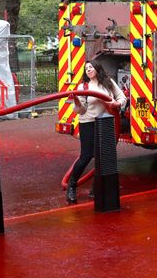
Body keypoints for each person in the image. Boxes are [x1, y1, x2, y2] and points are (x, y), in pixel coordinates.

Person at [67, 60, 127, 205]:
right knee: (86, 156)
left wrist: (116, 104)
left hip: (105, 122)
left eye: (90, 67)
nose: (88, 70)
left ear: (97, 68)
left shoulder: (108, 83)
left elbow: (122, 98)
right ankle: (71, 186)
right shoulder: (83, 87)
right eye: (86, 68)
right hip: (88, 123)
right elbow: (81, 111)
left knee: (104, 156)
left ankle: (97, 188)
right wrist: (76, 101)